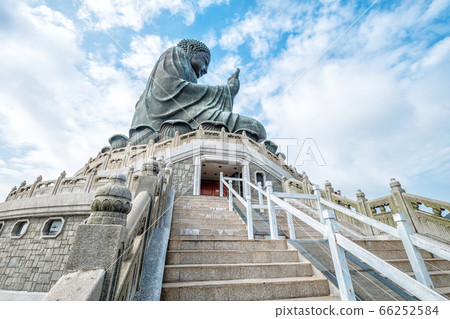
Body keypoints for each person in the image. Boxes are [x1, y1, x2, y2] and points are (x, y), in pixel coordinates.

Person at [130, 39, 267, 141]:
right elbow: (166, 90)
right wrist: (228, 90)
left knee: (256, 128)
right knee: (256, 127)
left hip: (184, 116)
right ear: (190, 49)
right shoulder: (175, 52)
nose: (205, 70)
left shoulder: (189, 73)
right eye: (205, 61)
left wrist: (229, 90)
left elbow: (189, 98)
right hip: (162, 120)